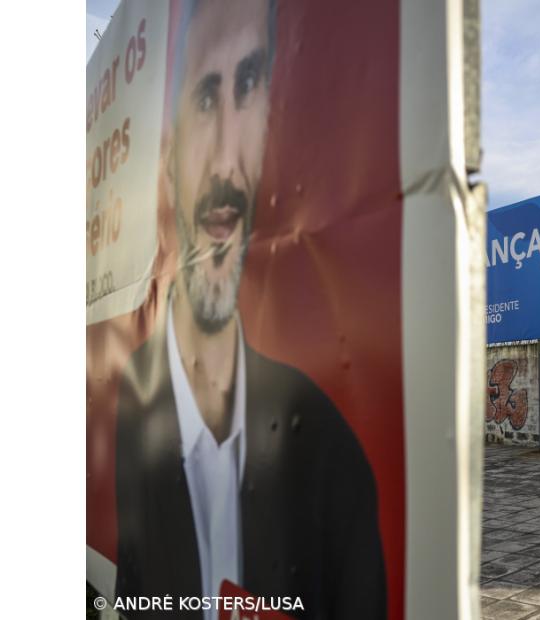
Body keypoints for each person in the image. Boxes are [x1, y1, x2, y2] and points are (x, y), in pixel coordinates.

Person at [113, 1, 385, 617]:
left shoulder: (334, 463)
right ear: (167, 151)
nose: (227, 162)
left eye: (250, 85)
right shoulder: (118, 415)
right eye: (205, 99)